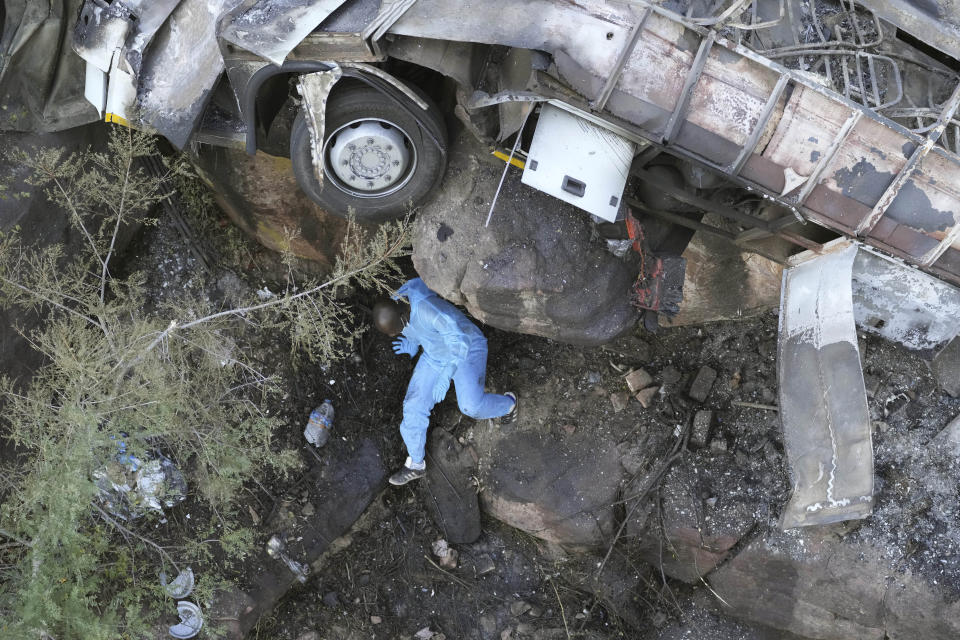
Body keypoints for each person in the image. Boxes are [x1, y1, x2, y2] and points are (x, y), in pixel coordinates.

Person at [374, 278, 517, 485]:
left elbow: (459, 339)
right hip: (435, 353)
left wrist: (447, 373)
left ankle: (509, 405)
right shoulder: (396, 303)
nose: (401, 330)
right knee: (413, 407)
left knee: (470, 406)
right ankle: (416, 465)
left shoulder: (429, 310)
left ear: (404, 312)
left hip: (466, 349)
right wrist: (412, 343)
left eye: (401, 327)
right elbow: (413, 330)